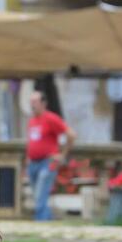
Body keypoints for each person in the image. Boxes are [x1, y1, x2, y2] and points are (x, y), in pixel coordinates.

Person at [25, 90, 75, 221]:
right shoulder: (32, 121)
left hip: (48, 162)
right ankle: (47, 218)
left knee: (41, 192)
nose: (32, 105)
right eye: (31, 102)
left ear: (43, 103)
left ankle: (40, 220)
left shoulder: (51, 118)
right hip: (33, 163)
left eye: (35, 101)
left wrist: (63, 155)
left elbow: (71, 134)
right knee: (37, 195)